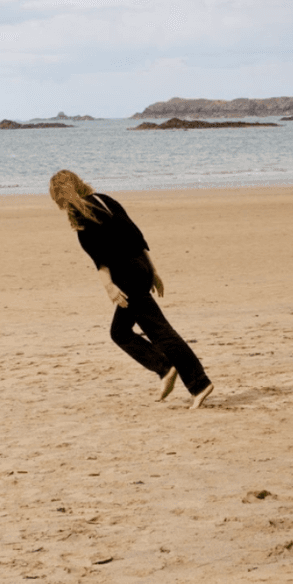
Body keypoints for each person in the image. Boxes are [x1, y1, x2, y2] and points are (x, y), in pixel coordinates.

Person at [49, 169, 213, 407]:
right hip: (141, 268)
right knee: (120, 331)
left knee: (161, 332)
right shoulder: (105, 200)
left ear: (60, 196)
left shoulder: (82, 214)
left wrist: (109, 287)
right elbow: (137, 237)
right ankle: (165, 368)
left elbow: (100, 258)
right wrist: (153, 271)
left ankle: (197, 382)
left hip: (127, 276)